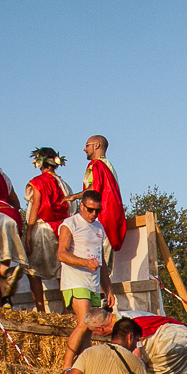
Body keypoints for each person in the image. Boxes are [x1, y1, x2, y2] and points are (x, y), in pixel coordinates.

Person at [57, 190, 116, 362]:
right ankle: (66, 365)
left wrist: (109, 289)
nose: (93, 214)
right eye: (90, 210)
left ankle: (85, 366)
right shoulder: (70, 223)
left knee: (89, 329)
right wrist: (85, 263)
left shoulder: (99, 227)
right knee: (84, 323)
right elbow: (61, 254)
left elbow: (101, 262)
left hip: (93, 284)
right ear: (81, 205)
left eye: (98, 210)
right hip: (75, 281)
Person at [24, 147, 72, 311]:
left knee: (33, 271)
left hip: (43, 229)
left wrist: (28, 232)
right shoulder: (64, 185)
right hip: (63, 229)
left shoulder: (39, 182)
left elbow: (36, 205)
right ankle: (66, 309)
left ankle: (41, 310)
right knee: (62, 271)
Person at [72, 135, 127, 252]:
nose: (84, 149)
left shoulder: (98, 165)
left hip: (102, 218)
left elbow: (94, 189)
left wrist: (74, 196)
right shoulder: (107, 165)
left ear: (96, 145)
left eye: (87, 145)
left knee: (97, 258)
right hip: (110, 217)